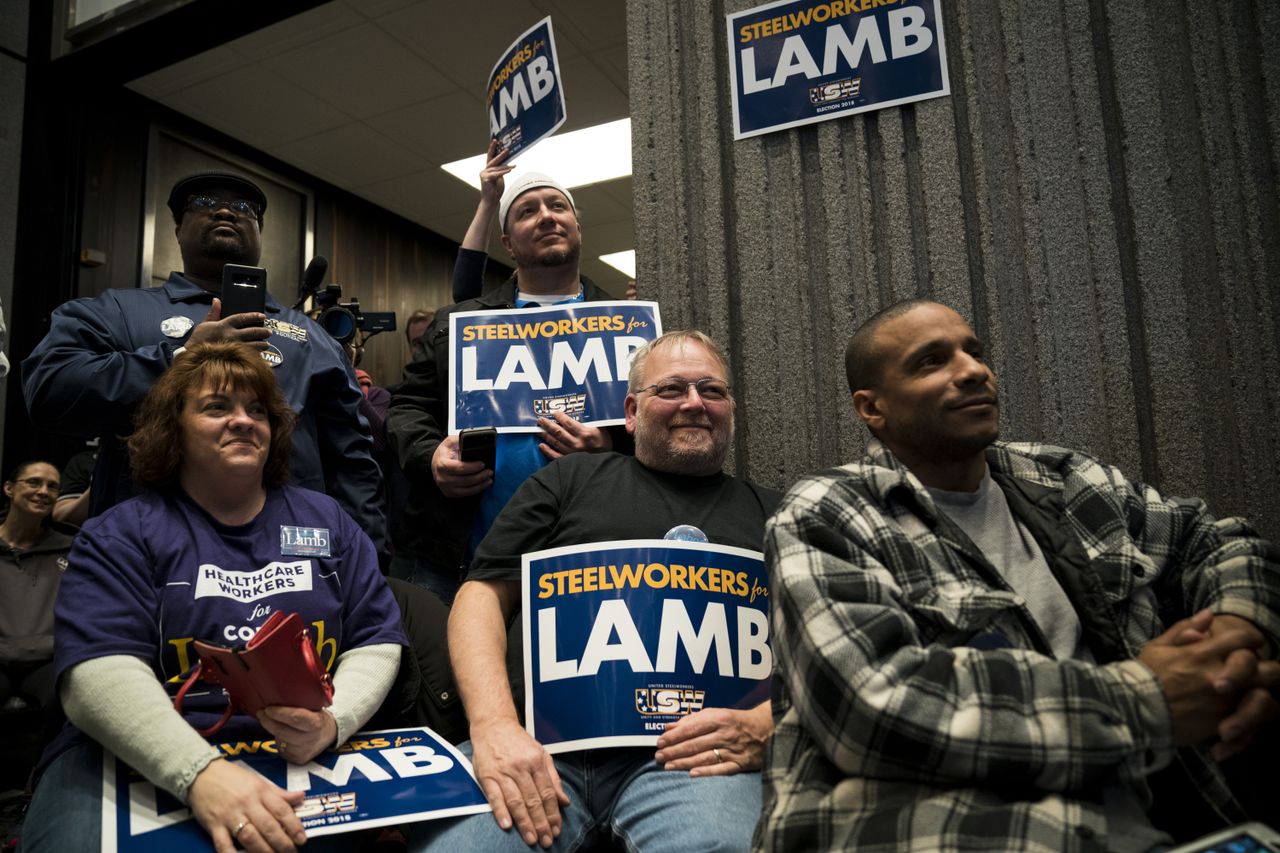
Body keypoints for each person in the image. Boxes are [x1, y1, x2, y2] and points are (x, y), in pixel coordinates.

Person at [757, 299, 1280, 852]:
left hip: (1161, 825)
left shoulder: (1067, 480)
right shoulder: (828, 512)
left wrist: (1238, 630)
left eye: (974, 352)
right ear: (873, 408)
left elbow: (1212, 539)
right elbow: (871, 708)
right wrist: (1147, 702)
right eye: (932, 361)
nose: (973, 370)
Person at [21, 342, 405, 853]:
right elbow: (97, 671)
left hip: (301, 747)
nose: (243, 421)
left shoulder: (326, 520)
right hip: (137, 750)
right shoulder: (121, 533)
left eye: (257, 411)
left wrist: (335, 724)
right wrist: (200, 773)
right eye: (217, 407)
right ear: (172, 427)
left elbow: (377, 637)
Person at [410, 330, 778, 852]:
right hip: (536, 748)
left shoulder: (779, 513)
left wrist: (771, 723)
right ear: (631, 411)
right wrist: (493, 727)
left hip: (695, 762)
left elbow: (824, 645)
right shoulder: (568, 481)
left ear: (731, 410)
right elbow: (481, 598)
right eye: (671, 389)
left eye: (711, 391)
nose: (694, 402)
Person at [22, 171, 386, 554]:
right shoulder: (117, 311)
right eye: (205, 204)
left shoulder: (313, 338)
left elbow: (354, 462)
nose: (226, 211)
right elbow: (48, 390)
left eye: (244, 208)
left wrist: (368, 562)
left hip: (293, 556)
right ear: (178, 229)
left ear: (260, 233)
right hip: (152, 555)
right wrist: (177, 358)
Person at [388, 170, 629, 601]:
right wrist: (430, 458)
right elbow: (406, 407)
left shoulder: (626, 324)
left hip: (588, 556)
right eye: (527, 211)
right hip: (456, 555)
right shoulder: (455, 325)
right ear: (507, 243)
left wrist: (609, 451)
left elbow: (654, 420)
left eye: (558, 207)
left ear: (577, 227)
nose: (546, 217)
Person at [0, 461, 73, 717]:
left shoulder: (72, 549)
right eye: (34, 482)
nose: (43, 491)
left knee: (70, 698)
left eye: (52, 487)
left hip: (47, 661)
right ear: (9, 488)